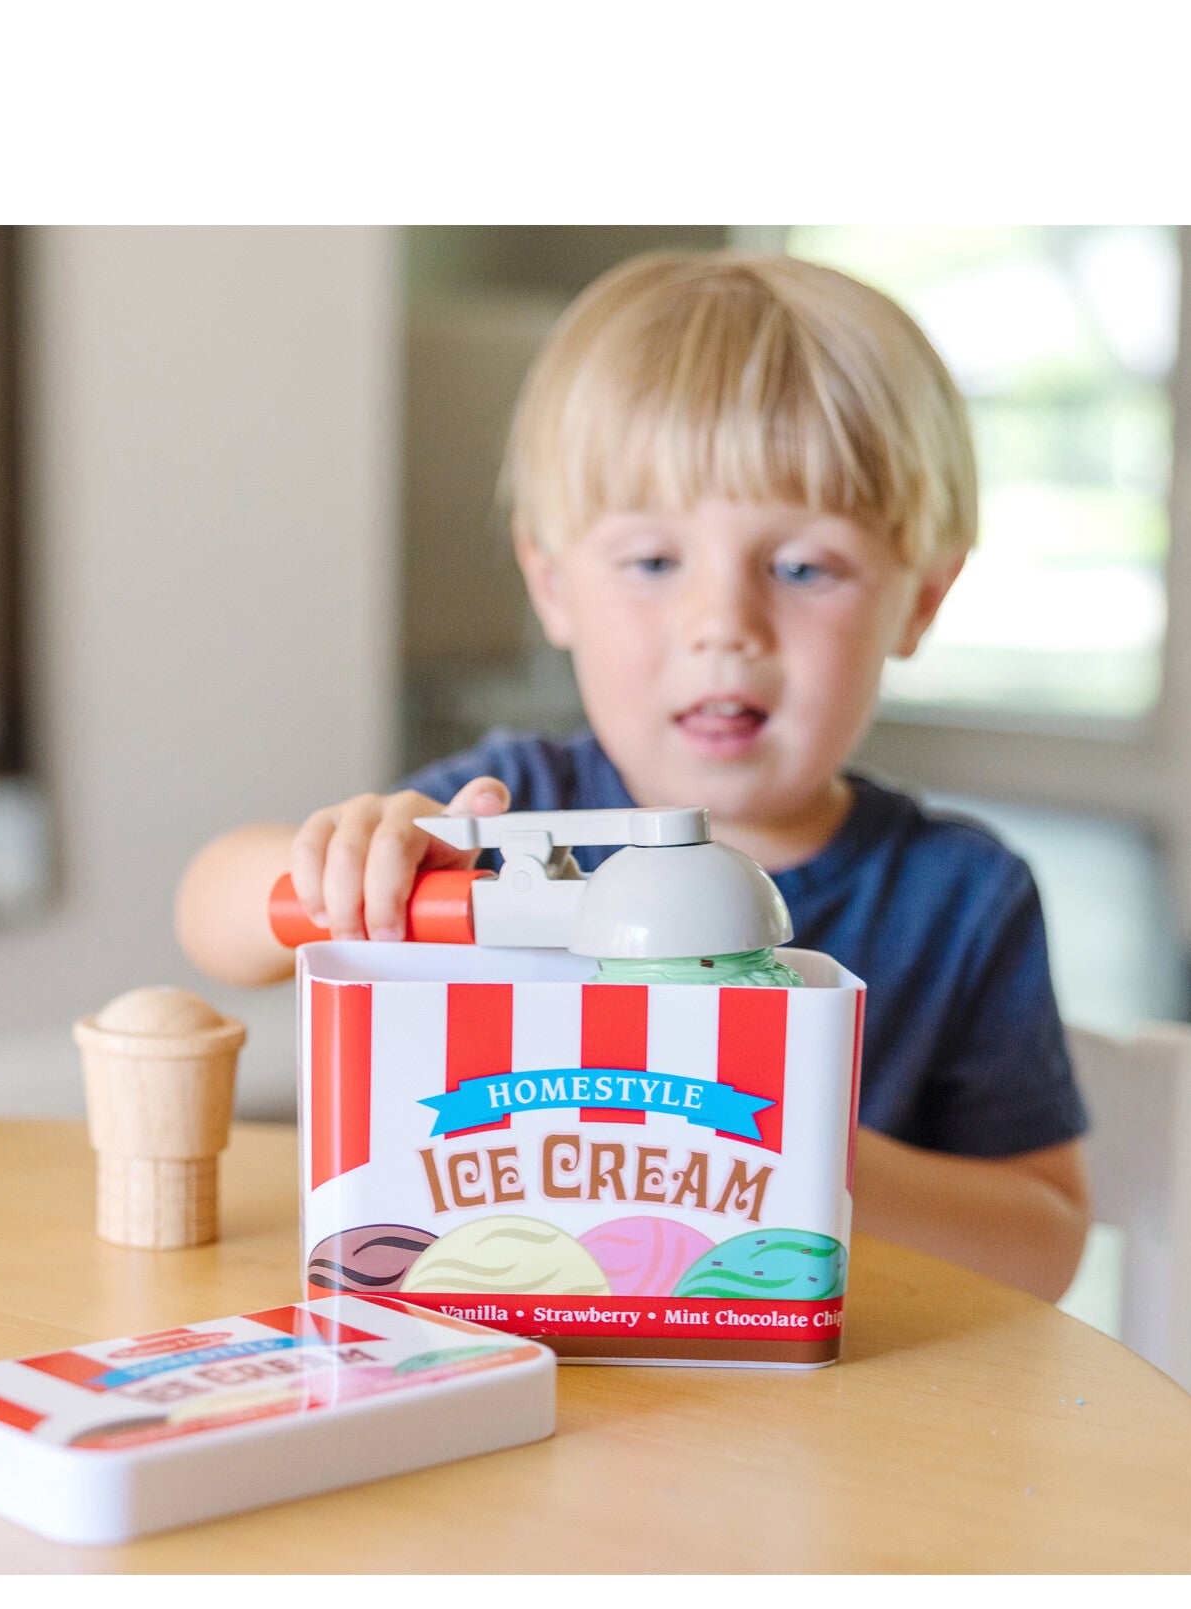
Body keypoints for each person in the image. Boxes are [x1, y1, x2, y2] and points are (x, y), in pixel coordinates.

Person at [176, 252, 1090, 1302]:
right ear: (554, 587)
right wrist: (347, 865)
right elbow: (211, 914)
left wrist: (810, 1155)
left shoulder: (964, 898)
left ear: (921, 602)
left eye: (803, 567)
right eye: (654, 563)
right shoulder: (506, 820)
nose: (722, 628)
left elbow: (1047, 1243)